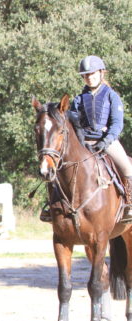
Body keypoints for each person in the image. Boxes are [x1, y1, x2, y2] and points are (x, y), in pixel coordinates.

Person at [40, 55, 132, 223]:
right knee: (60, 166)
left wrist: (107, 139)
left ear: (101, 73)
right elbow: (73, 124)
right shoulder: (78, 100)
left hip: (108, 141)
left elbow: (117, 123)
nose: (89, 77)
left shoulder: (112, 96)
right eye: (86, 75)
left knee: (127, 168)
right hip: (85, 142)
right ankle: (51, 205)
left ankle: (129, 204)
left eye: (92, 73)